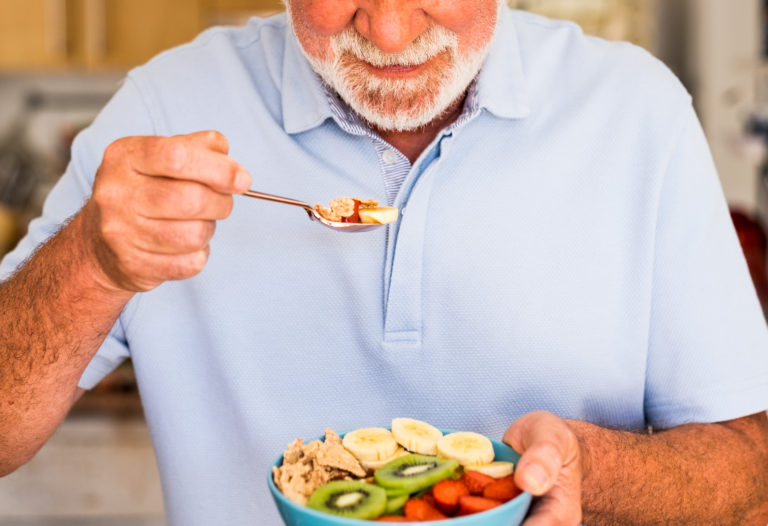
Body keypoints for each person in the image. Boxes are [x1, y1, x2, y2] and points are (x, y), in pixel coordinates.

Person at [1, 1, 767, 524]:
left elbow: (751, 474)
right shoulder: (164, 108)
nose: (393, 34)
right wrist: (90, 266)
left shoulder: (637, 112)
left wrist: (592, 474)